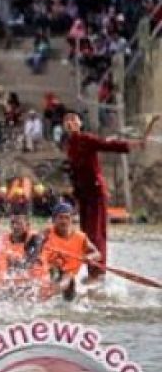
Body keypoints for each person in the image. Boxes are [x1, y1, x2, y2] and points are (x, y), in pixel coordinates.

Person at [62, 112, 156, 277]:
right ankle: (92, 269)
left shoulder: (87, 139)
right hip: (83, 195)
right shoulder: (69, 144)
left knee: (96, 232)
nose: (69, 122)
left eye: (73, 119)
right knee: (84, 233)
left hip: (96, 192)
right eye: (66, 120)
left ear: (79, 123)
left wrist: (135, 144)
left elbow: (109, 145)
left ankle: (98, 271)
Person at [41, 202, 101, 301]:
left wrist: (90, 257)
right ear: (54, 220)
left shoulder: (80, 237)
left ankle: (48, 294)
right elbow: (33, 244)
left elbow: (98, 254)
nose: (64, 221)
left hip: (69, 272)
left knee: (67, 283)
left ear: (71, 219)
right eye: (60, 217)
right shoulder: (47, 232)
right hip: (51, 267)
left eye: (67, 217)